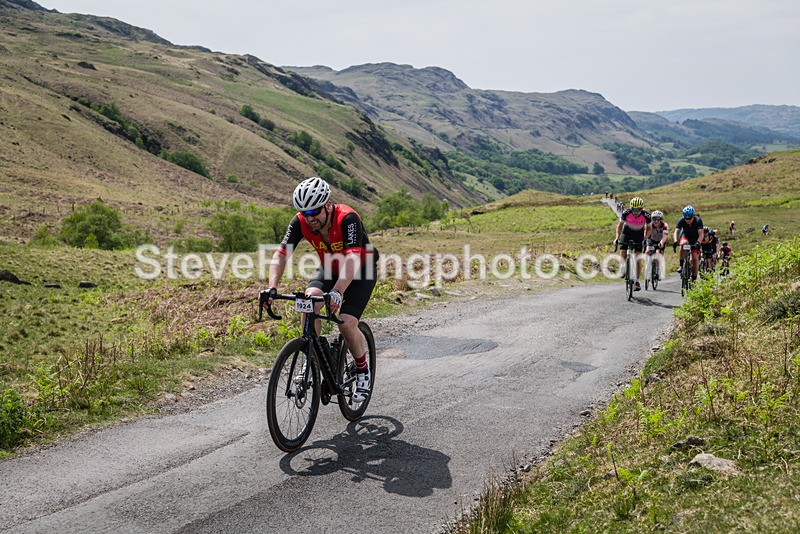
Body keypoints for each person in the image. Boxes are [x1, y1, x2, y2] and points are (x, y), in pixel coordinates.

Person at [263, 177, 379, 402]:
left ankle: (363, 370)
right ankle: (311, 358)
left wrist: (337, 291)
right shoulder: (300, 222)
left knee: (346, 323)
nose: (310, 218)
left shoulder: (348, 218)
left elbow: (353, 259)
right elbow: (282, 254)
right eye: (304, 213)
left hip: (360, 270)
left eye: (314, 211)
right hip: (330, 267)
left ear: (327, 204)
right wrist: (271, 288)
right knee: (309, 301)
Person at [614, 196, 651, 291]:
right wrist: (617, 238)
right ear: (631, 208)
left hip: (639, 234)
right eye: (634, 209)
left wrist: (645, 239)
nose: (636, 211)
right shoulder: (626, 213)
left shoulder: (646, 215)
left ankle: (637, 281)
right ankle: (622, 267)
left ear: (642, 208)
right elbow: (619, 226)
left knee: (638, 258)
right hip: (627, 233)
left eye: (638, 209)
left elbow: (649, 228)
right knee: (623, 251)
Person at [673, 205, 704, 282]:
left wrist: (698, 243)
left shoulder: (698, 221)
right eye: (686, 218)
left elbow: (701, 234)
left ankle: (694, 277)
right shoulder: (681, 220)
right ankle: (681, 264)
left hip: (695, 239)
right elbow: (676, 232)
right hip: (686, 236)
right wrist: (675, 241)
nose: (688, 220)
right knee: (683, 243)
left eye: (689, 218)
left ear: (693, 216)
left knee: (695, 258)